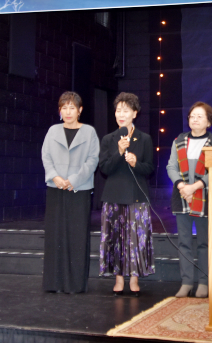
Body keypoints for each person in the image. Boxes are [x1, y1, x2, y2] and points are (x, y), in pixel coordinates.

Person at [41, 91, 100, 294]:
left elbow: (92, 160)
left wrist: (73, 180)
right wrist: (55, 177)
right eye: (64, 108)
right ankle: (53, 283)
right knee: (55, 236)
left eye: (72, 108)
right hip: (56, 188)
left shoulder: (89, 132)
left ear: (79, 110)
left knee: (77, 237)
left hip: (79, 189)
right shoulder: (53, 131)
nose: (67, 112)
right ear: (60, 110)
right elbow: (46, 156)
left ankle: (75, 284)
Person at [98, 92, 155, 296]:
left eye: (126, 110)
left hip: (136, 196)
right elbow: (104, 168)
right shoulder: (108, 139)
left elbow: (149, 168)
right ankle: (119, 278)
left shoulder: (145, 138)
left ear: (135, 113)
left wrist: (136, 163)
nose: (121, 114)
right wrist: (119, 152)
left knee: (136, 239)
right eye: (118, 111)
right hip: (114, 195)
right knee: (115, 238)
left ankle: (135, 278)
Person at [166, 101, 212, 298]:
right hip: (181, 197)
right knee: (184, 242)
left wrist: (194, 187)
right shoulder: (179, 141)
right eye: (192, 116)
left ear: (209, 122)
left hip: (204, 198)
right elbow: (171, 167)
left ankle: (204, 282)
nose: (195, 119)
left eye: (200, 116)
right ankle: (187, 282)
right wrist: (182, 187)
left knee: (205, 243)